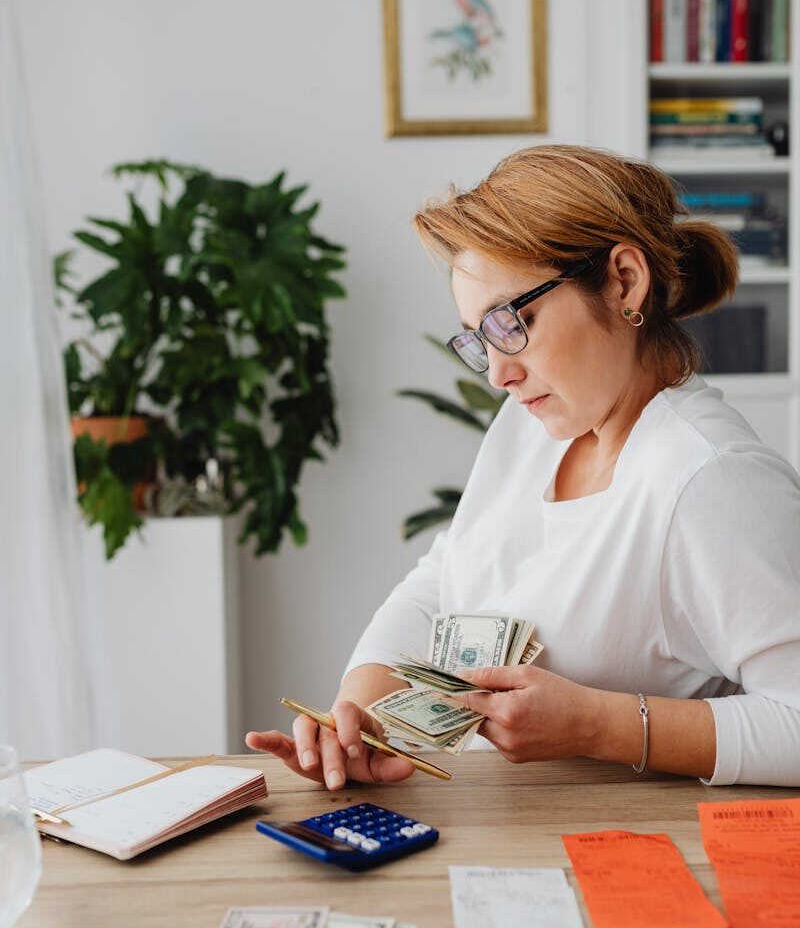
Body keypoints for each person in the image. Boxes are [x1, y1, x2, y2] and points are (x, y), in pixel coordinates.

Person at [247, 144, 800, 790]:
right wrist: (362, 709)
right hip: (496, 823)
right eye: (478, 338)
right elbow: (447, 575)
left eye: (513, 322)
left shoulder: (712, 481)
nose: (499, 372)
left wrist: (600, 725)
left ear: (624, 280)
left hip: (621, 852)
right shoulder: (537, 425)